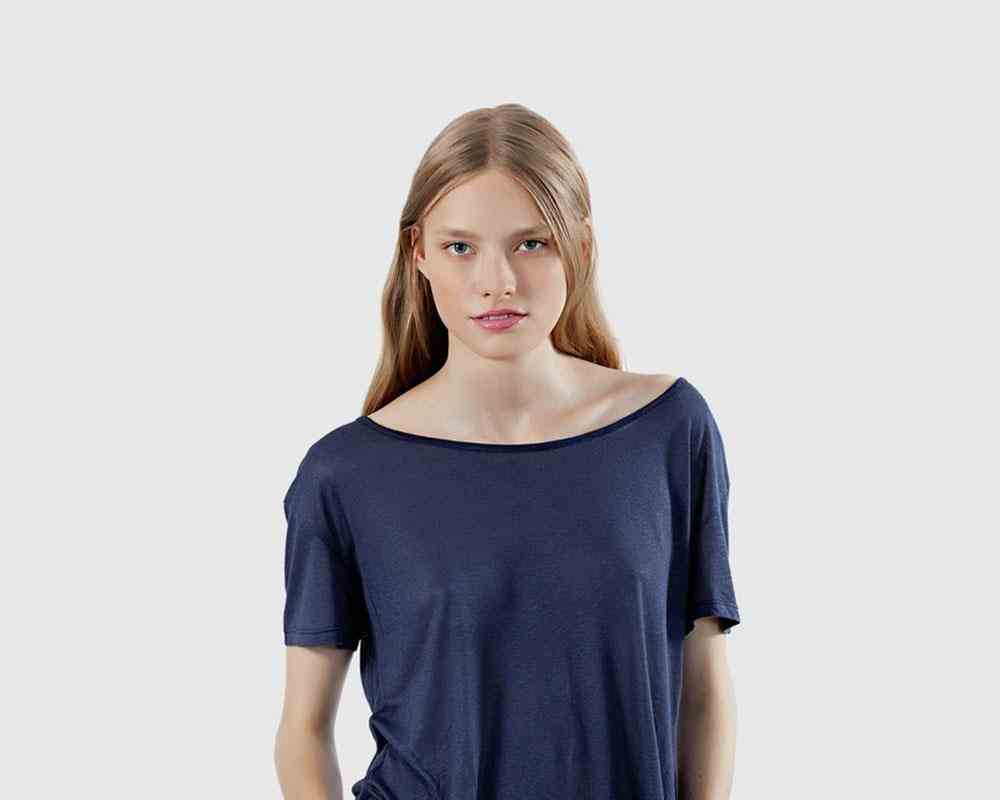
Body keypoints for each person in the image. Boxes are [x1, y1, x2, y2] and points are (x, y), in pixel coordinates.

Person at [274, 103, 741, 800]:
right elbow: (304, 731)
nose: (498, 281)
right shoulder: (344, 474)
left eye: (531, 243)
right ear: (418, 253)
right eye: (460, 247)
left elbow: (703, 689)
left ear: (581, 244)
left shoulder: (668, 431)